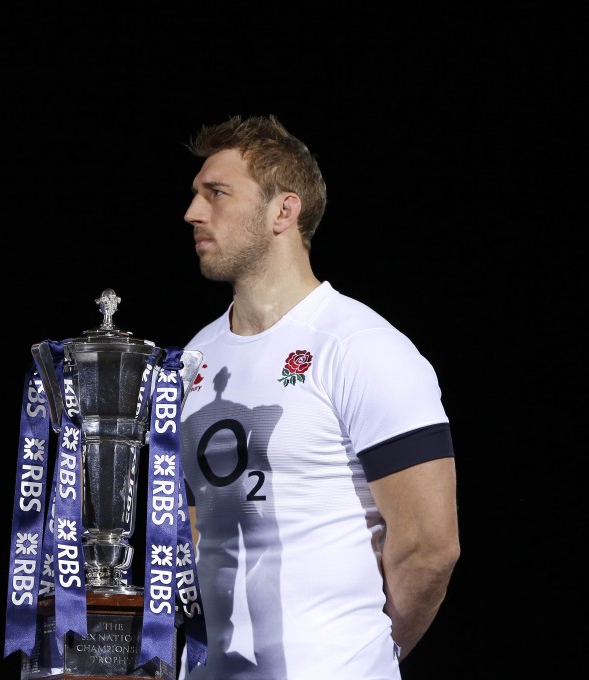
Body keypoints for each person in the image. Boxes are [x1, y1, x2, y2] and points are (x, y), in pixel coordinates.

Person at [176, 114, 460, 680]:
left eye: (216, 194)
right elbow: (190, 526)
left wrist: (368, 653)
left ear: (284, 210)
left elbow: (430, 547)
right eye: (194, 196)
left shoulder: (362, 347)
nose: (192, 212)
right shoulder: (194, 356)